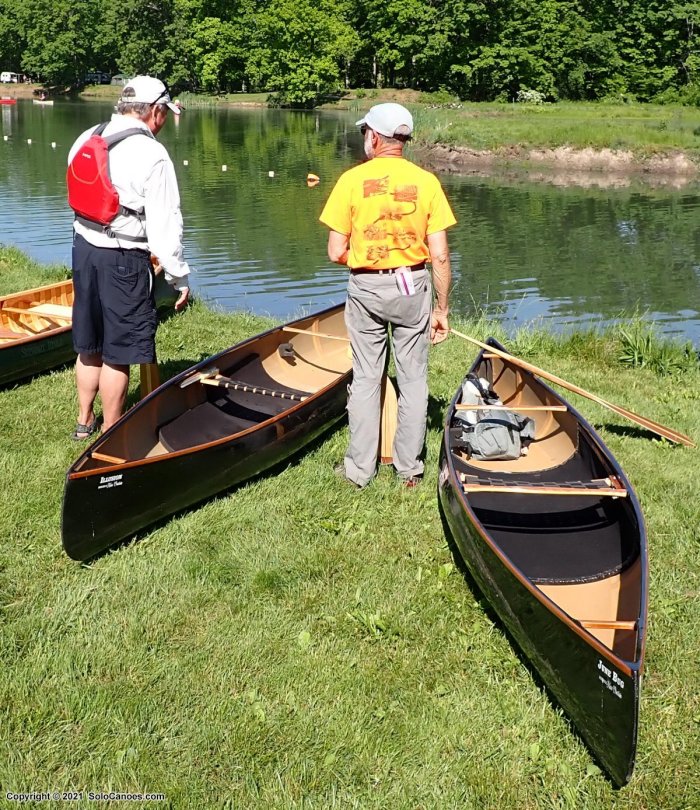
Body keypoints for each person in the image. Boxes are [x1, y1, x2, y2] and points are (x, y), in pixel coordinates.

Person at [319, 102, 456, 488]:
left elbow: (334, 251)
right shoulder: (427, 183)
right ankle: (409, 470)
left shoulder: (350, 181)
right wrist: (441, 309)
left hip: (366, 286)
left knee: (366, 377)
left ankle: (359, 472)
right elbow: (441, 255)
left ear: (374, 137)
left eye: (365, 132)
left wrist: (365, 261)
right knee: (413, 380)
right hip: (413, 285)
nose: (365, 137)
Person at [67, 75, 190, 439]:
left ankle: (84, 420)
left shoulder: (89, 135)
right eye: (164, 112)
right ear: (154, 111)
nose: (164, 120)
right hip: (123, 257)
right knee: (117, 350)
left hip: (83, 248)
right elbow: (166, 224)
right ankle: (114, 429)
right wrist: (178, 277)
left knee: (89, 344)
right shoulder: (153, 154)